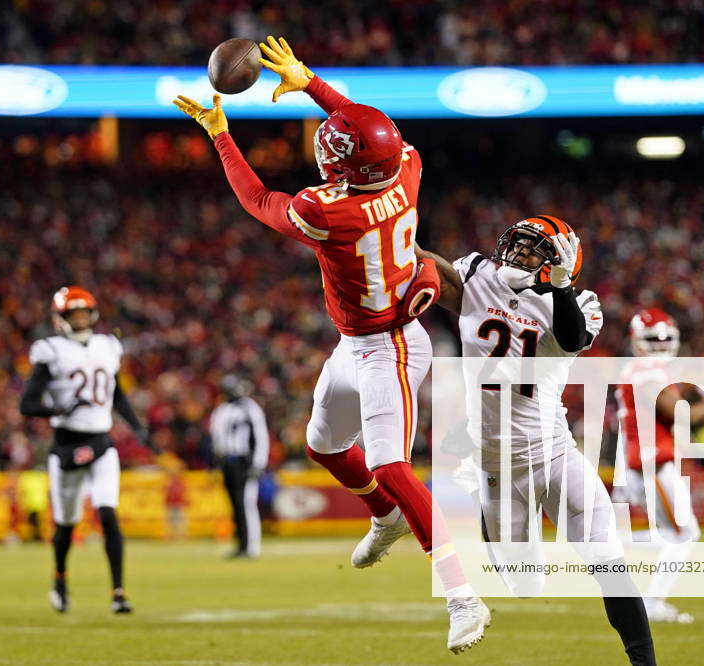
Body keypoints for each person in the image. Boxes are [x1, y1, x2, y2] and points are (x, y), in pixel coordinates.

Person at [172, 36, 489, 653]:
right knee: (322, 444)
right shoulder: (408, 168)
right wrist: (311, 82)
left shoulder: (327, 212)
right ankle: (384, 516)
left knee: (391, 465)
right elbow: (373, 130)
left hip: (391, 346)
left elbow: (260, 200)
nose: (328, 149)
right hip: (359, 341)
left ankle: (461, 594)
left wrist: (220, 135)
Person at [419, 216, 657, 666]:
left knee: (609, 562)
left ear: (559, 265)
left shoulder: (579, 301)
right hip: (497, 465)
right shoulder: (477, 273)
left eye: (533, 250)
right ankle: (486, 507)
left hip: (553, 453)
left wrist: (562, 288)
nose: (519, 253)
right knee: (526, 586)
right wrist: (395, 239)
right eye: (519, 244)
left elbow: (571, 338)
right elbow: (437, 277)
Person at [19, 286, 153, 615]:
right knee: (66, 523)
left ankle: (118, 592)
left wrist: (136, 426)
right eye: (73, 314)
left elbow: (117, 394)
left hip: (101, 441)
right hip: (66, 444)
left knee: (108, 513)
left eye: (83, 313)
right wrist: (60, 408)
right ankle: (60, 579)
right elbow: (28, 403)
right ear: (60, 318)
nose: (79, 319)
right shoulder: (50, 350)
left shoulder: (107, 346)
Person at [615, 308, 704, 624]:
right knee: (684, 535)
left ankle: (607, 542)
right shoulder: (647, 372)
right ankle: (651, 603)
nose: (660, 345)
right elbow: (681, 414)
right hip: (652, 463)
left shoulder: (639, 369)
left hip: (648, 461)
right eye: (654, 339)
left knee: (675, 535)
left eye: (664, 338)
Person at [209, 375, 270, 558]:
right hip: (228, 462)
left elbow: (260, 436)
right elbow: (217, 440)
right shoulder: (221, 410)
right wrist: (216, 464)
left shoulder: (249, 408)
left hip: (245, 460)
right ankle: (241, 544)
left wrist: (259, 462)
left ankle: (251, 547)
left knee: (246, 503)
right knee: (235, 505)